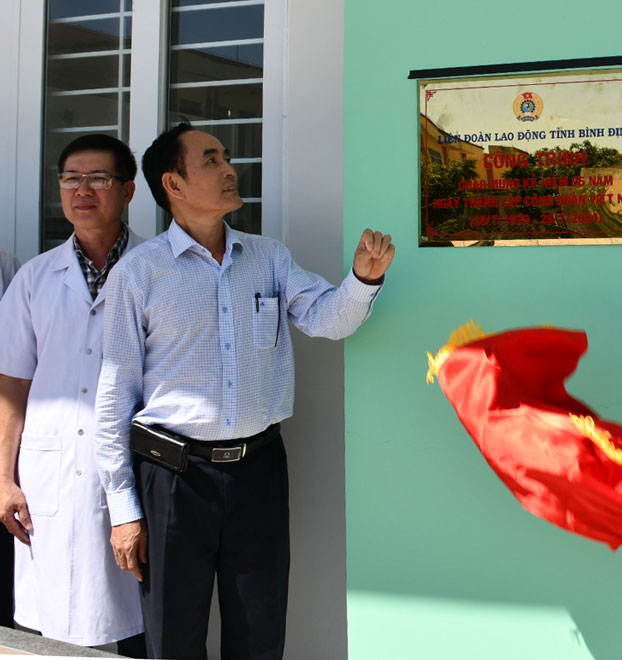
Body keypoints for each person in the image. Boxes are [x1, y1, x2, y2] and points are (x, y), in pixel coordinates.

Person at [94, 123, 396, 660]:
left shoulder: (269, 258)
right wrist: (124, 510)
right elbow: (114, 397)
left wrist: (362, 280)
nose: (230, 168)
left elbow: (327, 317)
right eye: (210, 160)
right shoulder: (139, 274)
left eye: (226, 157)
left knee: (259, 634)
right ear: (174, 184)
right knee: (173, 637)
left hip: (257, 472)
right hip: (172, 479)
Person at [0, 134, 145, 655]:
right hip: (50, 477)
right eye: (70, 179)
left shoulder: (157, 270)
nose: (82, 190)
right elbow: (12, 384)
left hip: (134, 473)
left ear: (128, 190)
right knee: (56, 625)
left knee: (136, 618)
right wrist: (2, 478)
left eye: (98, 178)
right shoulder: (35, 278)